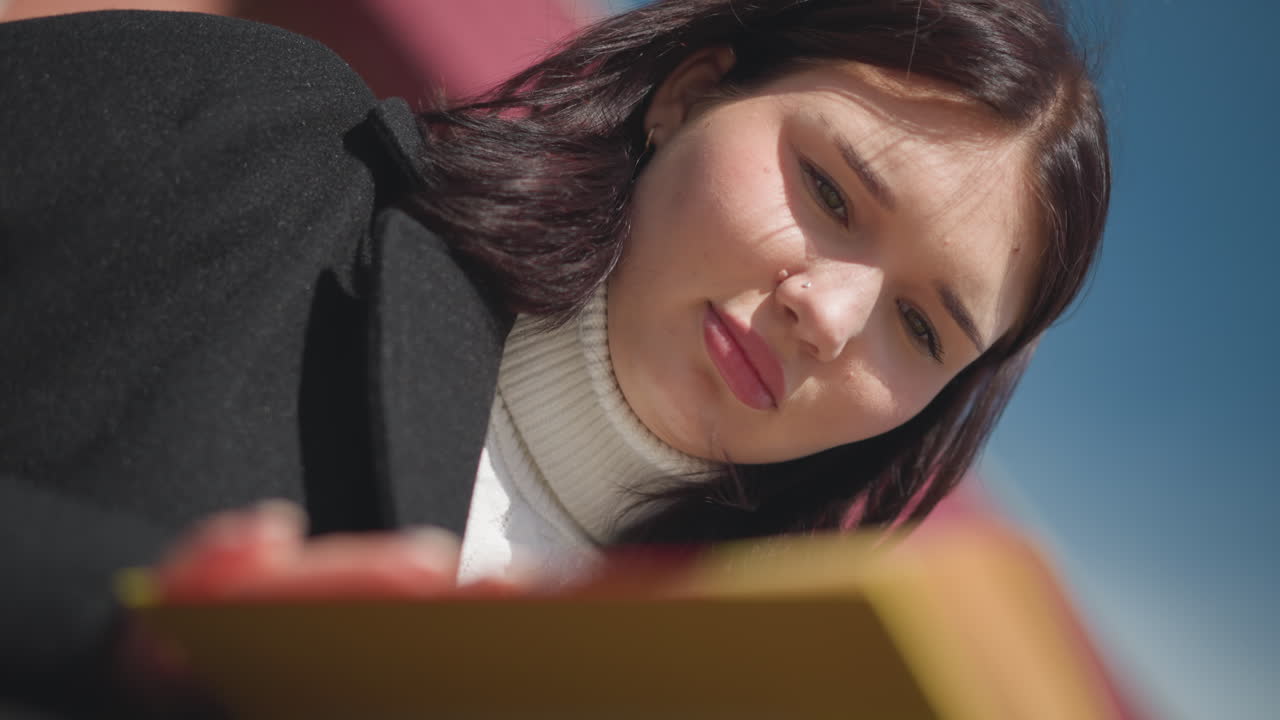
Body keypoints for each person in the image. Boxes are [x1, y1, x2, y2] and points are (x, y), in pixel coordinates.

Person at [0, 0, 1109, 715]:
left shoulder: (724, 690)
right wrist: (124, 624)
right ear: (688, 94)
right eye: (828, 191)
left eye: (921, 329)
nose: (827, 315)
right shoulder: (256, 139)